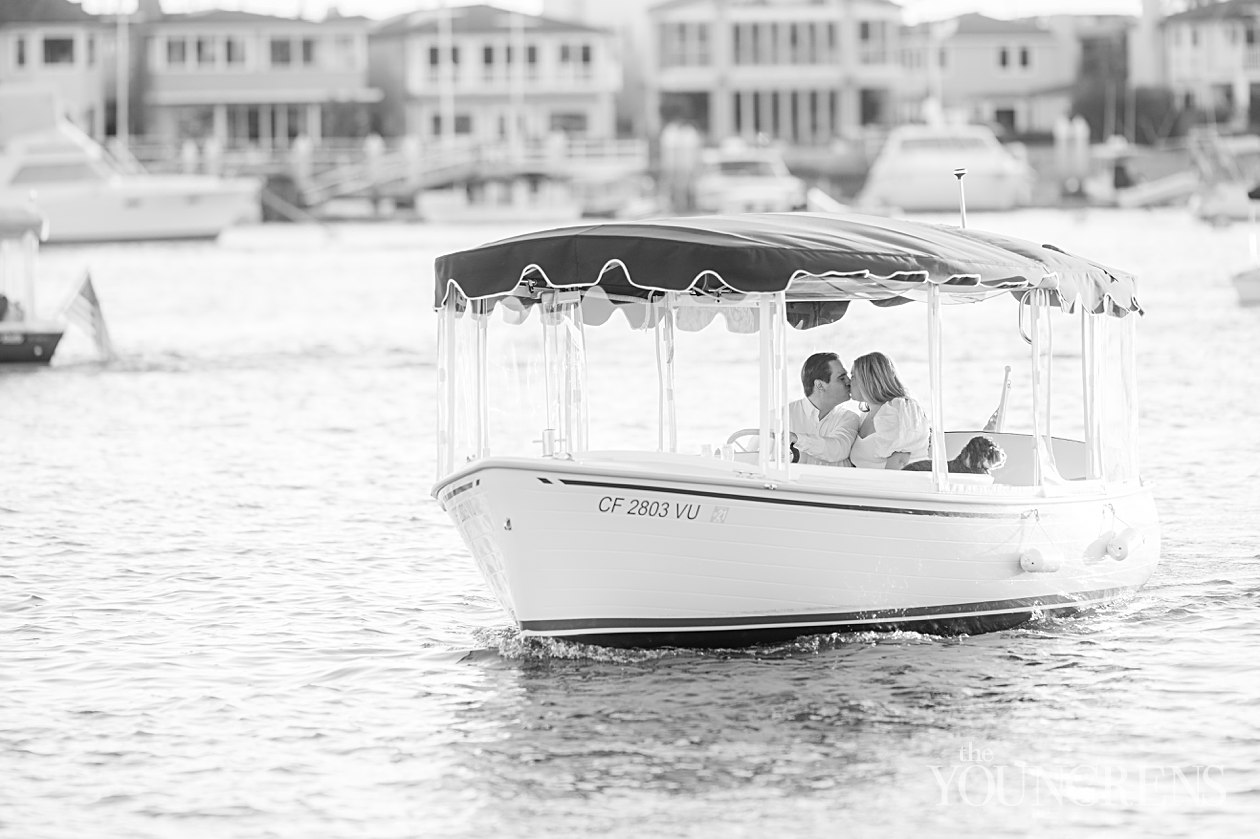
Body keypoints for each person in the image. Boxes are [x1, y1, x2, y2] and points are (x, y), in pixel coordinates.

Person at [848, 351, 930, 469]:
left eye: (853, 377)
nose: (848, 382)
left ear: (868, 379)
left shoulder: (900, 409)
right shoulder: (864, 416)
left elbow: (900, 462)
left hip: (890, 485)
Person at [782, 352, 862, 467]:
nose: (849, 382)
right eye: (841, 378)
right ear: (820, 385)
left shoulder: (850, 418)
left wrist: (796, 439)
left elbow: (838, 449)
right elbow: (753, 456)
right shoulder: (780, 416)